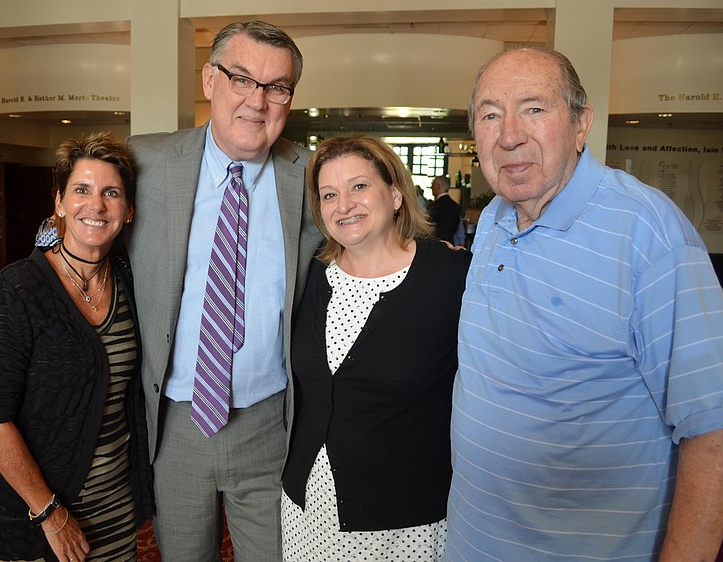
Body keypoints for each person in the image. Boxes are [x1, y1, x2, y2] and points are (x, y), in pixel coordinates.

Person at [448, 46, 723, 561]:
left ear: (581, 125)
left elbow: (715, 432)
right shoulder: (494, 218)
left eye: (534, 108)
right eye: (490, 114)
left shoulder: (648, 234)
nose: (509, 135)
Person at [126, 21, 323, 562]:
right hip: (176, 425)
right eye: (241, 78)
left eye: (276, 86)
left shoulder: (311, 178)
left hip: (269, 426)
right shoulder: (144, 164)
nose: (257, 100)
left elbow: (375, 229)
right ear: (210, 79)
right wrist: (25, 299)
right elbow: (77, 219)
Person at [281, 135, 471, 561]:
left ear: (397, 194)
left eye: (359, 186)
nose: (343, 204)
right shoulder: (308, 276)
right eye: (329, 194)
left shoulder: (452, 276)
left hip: (407, 521)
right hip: (307, 510)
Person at [0, 132, 153, 562]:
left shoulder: (131, 283)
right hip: (35, 513)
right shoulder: (16, 290)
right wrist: (51, 515)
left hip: (115, 508)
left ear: (128, 211)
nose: (96, 205)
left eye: (112, 193)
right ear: (59, 203)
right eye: (81, 190)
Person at [426, 175, 464, 245]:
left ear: (438, 186)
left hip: (435, 245)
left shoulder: (433, 206)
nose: (431, 188)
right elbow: (459, 230)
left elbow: (428, 229)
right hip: (450, 245)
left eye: (433, 185)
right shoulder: (455, 207)